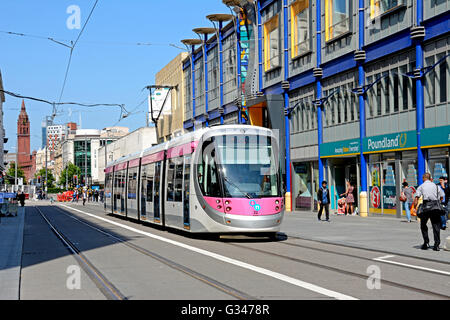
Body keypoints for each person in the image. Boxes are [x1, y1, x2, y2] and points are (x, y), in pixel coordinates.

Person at [414, 173, 445, 251]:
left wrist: (415, 207)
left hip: (425, 207)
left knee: (423, 225)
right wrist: (437, 201)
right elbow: (442, 196)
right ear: (430, 178)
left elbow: (416, 198)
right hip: (435, 207)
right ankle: (436, 245)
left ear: (423, 178)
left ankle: (426, 243)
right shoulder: (436, 186)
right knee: (436, 226)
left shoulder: (421, 186)